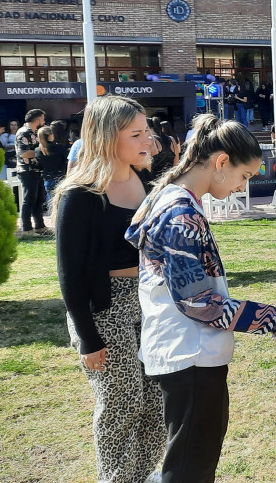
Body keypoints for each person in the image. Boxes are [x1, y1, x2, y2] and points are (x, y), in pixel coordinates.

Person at [126, 115, 276, 483]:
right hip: (189, 355)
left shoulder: (176, 200)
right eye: (245, 177)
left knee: (191, 462)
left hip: (189, 353)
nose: (243, 186)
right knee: (188, 470)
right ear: (221, 162)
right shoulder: (178, 210)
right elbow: (199, 304)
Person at [53, 95, 165, 483]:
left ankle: (142, 474)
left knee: (156, 401)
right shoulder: (79, 195)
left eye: (146, 131)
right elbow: (69, 275)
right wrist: (87, 338)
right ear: (104, 138)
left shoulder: (148, 181)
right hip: (106, 308)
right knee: (121, 402)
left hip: (150, 301)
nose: (147, 140)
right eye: (136, 134)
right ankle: (116, 479)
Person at [16, 109, 51, 236]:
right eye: (42, 118)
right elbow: (24, 153)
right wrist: (42, 152)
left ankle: (39, 226)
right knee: (29, 199)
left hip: (37, 169)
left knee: (39, 199)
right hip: (27, 170)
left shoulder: (34, 132)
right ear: (37, 120)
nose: (44, 121)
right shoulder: (24, 132)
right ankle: (26, 229)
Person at [36, 125, 68, 209]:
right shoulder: (60, 148)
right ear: (50, 135)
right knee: (61, 203)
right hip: (61, 177)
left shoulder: (38, 151)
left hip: (47, 178)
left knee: (51, 203)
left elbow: (39, 165)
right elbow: (66, 161)